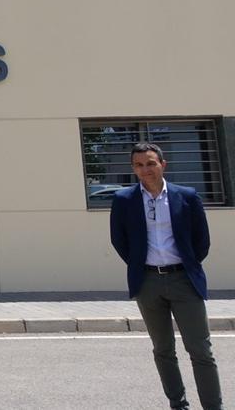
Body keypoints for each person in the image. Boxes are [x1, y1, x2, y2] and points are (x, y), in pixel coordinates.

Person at [110, 142, 223, 410]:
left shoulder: (187, 196)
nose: (145, 169)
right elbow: (120, 241)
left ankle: (213, 406)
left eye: (150, 163)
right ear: (133, 169)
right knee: (163, 350)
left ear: (163, 164)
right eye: (139, 165)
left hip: (184, 279)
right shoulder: (124, 200)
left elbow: (201, 241)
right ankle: (178, 404)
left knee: (201, 351)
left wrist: (185, 266)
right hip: (147, 282)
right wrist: (141, 266)